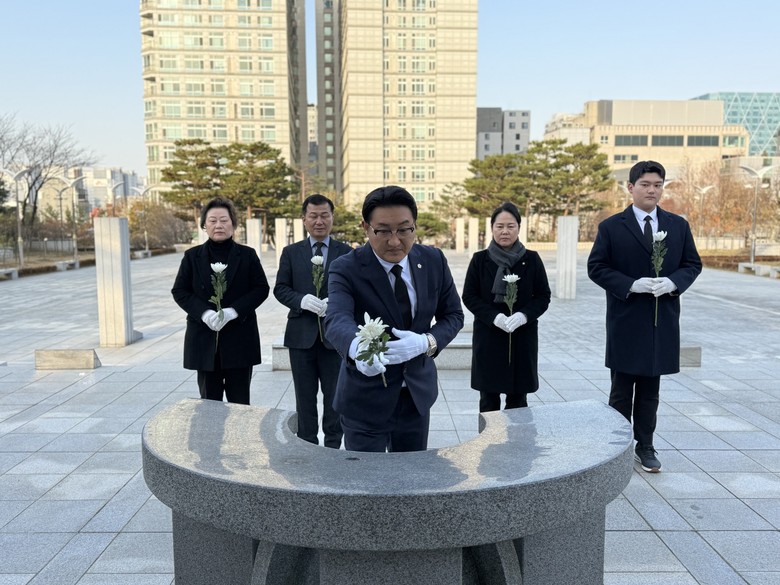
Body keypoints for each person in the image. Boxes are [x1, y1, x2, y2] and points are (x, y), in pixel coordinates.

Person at [325, 185, 464, 452]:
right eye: (383, 231)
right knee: (367, 485)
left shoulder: (433, 260)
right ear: (365, 227)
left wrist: (427, 342)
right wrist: (358, 349)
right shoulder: (346, 267)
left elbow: (453, 315)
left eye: (404, 229)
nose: (394, 241)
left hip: (415, 397)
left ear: (414, 225)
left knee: (410, 485)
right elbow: (336, 318)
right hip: (364, 398)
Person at [588, 160, 701, 473]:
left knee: (651, 390)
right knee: (621, 390)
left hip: (660, 321)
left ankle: (645, 445)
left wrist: (674, 282)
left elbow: (692, 264)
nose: (652, 190)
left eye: (657, 185)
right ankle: (617, 446)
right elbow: (596, 267)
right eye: (646, 184)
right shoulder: (611, 227)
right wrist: (630, 284)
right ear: (631, 187)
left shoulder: (677, 225)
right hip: (626, 319)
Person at [172, 197, 270, 405]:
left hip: (240, 340)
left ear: (233, 224)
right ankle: (211, 439)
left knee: (240, 404)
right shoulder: (192, 256)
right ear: (204, 225)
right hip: (204, 341)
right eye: (213, 220)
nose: (218, 225)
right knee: (208, 404)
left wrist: (235, 311)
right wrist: (204, 313)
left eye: (224, 220)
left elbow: (261, 289)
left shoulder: (247, 255)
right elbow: (180, 291)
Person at [273, 194, 352, 448]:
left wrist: (336, 303)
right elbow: (280, 289)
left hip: (334, 339)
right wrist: (301, 300)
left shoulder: (346, 252)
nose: (319, 221)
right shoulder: (291, 252)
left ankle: (332, 446)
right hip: (301, 337)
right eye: (313, 216)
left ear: (332, 217)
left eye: (324, 215)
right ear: (304, 219)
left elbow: (354, 289)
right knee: (304, 398)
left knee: (334, 397)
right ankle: (307, 445)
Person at [462, 202, 551, 413]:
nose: (505, 231)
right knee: (488, 401)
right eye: (499, 226)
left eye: (510, 226)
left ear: (519, 228)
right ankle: (488, 445)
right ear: (492, 228)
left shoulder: (532, 259)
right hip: (489, 336)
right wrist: (494, 317)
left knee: (518, 401)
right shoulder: (479, 260)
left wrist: (523, 315)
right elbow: (469, 296)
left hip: (521, 337)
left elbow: (543, 296)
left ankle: (517, 445)